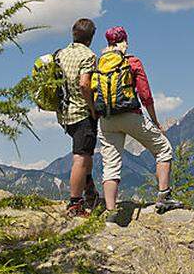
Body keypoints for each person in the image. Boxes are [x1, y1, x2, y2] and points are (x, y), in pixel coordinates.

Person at [94, 26, 184, 217]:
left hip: (106, 119)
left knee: (110, 166)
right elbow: (145, 95)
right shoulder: (132, 62)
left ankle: (111, 212)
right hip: (130, 115)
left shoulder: (99, 64)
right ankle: (164, 196)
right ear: (124, 41)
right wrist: (155, 121)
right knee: (163, 149)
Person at [57, 18, 100, 217]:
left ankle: (89, 188)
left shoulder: (60, 54)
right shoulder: (89, 56)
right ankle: (75, 203)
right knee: (81, 158)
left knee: (87, 152)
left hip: (64, 114)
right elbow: (84, 84)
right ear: (91, 37)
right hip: (81, 112)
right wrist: (92, 108)